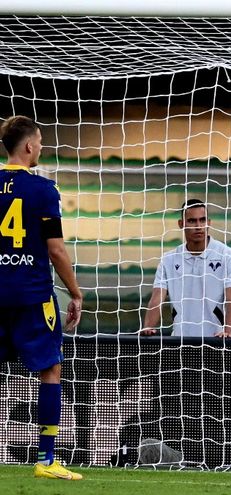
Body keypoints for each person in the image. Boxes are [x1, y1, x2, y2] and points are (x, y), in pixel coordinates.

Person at [0, 115, 84, 480]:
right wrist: (76, 293)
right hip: (32, 295)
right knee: (50, 369)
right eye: (40, 142)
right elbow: (56, 250)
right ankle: (46, 459)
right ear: (30, 146)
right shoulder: (44, 190)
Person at [140, 199, 231, 337]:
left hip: (216, 342)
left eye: (202, 220)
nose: (199, 226)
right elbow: (156, 298)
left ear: (209, 223)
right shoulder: (168, 259)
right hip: (179, 341)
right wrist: (148, 328)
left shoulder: (228, 255)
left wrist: (227, 332)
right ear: (181, 224)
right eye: (192, 221)